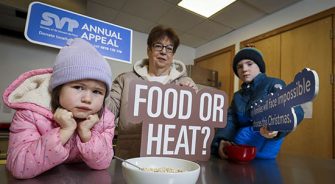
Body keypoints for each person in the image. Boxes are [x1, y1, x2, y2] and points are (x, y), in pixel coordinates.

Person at [3, 38, 115, 179]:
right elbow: (19, 167)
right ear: (58, 89)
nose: (87, 99)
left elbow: (103, 163)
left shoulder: (105, 119)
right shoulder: (30, 114)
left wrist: (86, 134)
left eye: (97, 92)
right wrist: (64, 131)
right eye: (78, 87)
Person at [107, 25, 197, 159]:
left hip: (170, 158)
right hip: (131, 157)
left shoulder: (185, 84)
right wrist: (98, 88)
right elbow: (109, 111)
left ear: (173, 55)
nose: (163, 52)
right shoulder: (125, 79)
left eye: (169, 48)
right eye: (158, 46)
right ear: (149, 50)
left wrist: (194, 100)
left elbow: (194, 123)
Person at [211, 47, 304, 159]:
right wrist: (223, 139)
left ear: (259, 66)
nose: (244, 69)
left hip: (264, 150)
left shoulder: (274, 84)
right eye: (239, 66)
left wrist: (277, 128)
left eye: (249, 64)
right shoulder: (237, 96)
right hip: (238, 150)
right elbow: (231, 120)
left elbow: (295, 110)